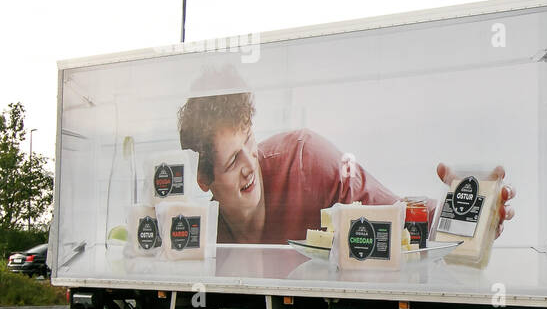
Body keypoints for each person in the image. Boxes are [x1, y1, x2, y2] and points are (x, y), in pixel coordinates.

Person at [176, 83, 514, 245]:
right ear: (206, 180)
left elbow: (393, 214)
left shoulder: (306, 160)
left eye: (250, 140)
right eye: (234, 159)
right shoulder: (206, 235)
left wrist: (468, 213)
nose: (251, 163)